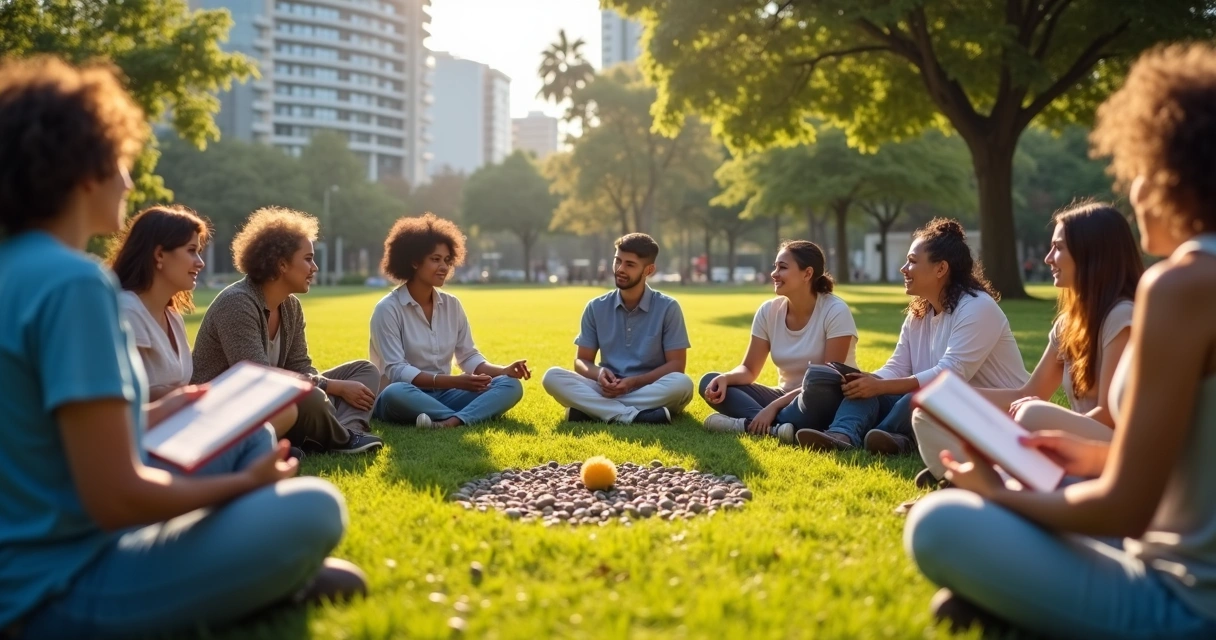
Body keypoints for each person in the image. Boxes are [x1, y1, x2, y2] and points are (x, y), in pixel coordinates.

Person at [0, 56, 364, 640]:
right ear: (83, 171)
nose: (127, 181)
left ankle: (239, 570)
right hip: (56, 587)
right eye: (121, 162)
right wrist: (242, 487)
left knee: (248, 435)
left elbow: (53, 441)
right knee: (316, 507)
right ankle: (253, 578)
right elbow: (115, 497)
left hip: (55, 541)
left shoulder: (19, 271)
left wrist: (160, 409)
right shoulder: (73, 284)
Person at [905, 43, 1216, 638]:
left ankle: (1016, 593)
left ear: (1174, 172)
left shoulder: (1180, 287)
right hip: (1163, 543)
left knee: (938, 524)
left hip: (1182, 604)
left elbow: (1127, 507)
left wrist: (994, 494)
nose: (1136, 190)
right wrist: (1093, 458)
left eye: (1138, 170)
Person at [911, 203, 1143, 486]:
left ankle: (989, 479)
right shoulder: (1068, 324)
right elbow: (1030, 392)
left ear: (1090, 253)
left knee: (1033, 414)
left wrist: (1038, 415)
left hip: (1111, 449)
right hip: (1074, 438)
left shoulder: (1121, 316)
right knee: (932, 411)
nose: (1048, 258)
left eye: (1058, 248)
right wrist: (955, 398)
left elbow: (1108, 416)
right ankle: (980, 478)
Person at [796, 219, 1029, 453]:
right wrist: (869, 381)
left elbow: (950, 374)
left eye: (912, 261)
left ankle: (890, 436)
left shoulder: (977, 307)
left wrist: (881, 386)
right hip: (941, 402)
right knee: (867, 390)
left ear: (941, 269)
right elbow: (898, 366)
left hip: (995, 412)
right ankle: (841, 435)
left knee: (920, 395)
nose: (904, 268)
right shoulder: (920, 312)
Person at [191, 207, 383, 454]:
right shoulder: (237, 303)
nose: (314, 267)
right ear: (282, 264)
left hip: (274, 399)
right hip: (229, 409)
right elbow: (259, 379)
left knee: (364, 371)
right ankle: (338, 437)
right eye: (308, 259)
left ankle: (342, 432)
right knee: (311, 397)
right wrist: (332, 387)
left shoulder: (291, 306)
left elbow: (301, 366)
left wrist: (326, 385)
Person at [369, 214, 526, 428]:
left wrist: (503, 370)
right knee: (394, 393)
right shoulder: (387, 309)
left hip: (446, 394)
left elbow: (468, 356)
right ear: (414, 261)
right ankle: (471, 414)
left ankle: (451, 421)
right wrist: (454, 381)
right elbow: (397, 371)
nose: (444, 267)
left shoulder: (452, 305)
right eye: (435, 259)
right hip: (405, 395)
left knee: (510, 385)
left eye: (447, 260)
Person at [700, 240, 859, 443]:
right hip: (784, 396)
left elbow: (828, 381)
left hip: (823, 399)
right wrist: (726, 378)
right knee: (710, 382)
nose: (774, 273)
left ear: (807, 274)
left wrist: (773, 407)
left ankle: (749, 424)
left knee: (816, 387)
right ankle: (777, 429)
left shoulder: (835, 311)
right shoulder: (769, 311)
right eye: (775, 267)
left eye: (782, 267)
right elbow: (749, 369)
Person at [542, 233, 694, 424]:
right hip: (606, 389)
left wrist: (634, 382)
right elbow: (582, 361)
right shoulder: (596, 307)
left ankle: (593, 410)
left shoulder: (668, 308)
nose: (620, 269)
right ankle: (631, 415)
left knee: (682, 384)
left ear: (649, 270)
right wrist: (599, 374)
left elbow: (676, 366)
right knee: (552, 376)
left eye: (630, 264)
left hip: (651, 387)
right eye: (618, 261)